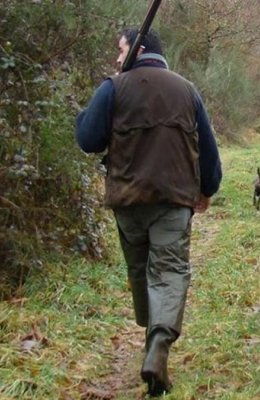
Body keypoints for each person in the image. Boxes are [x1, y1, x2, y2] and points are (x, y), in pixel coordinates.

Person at [75, 28, 222, 396]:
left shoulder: (114, 86)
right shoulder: (187, 90)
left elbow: (88, 140)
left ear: (137, 50)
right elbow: (208, 148)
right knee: (169, 270)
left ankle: (150, 335)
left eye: (120, 49)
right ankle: (158, 343)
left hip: (128, 200)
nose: (116, 57)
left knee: (140, 270)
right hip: (173, 200)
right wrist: (208, 188)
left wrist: (89, 109)